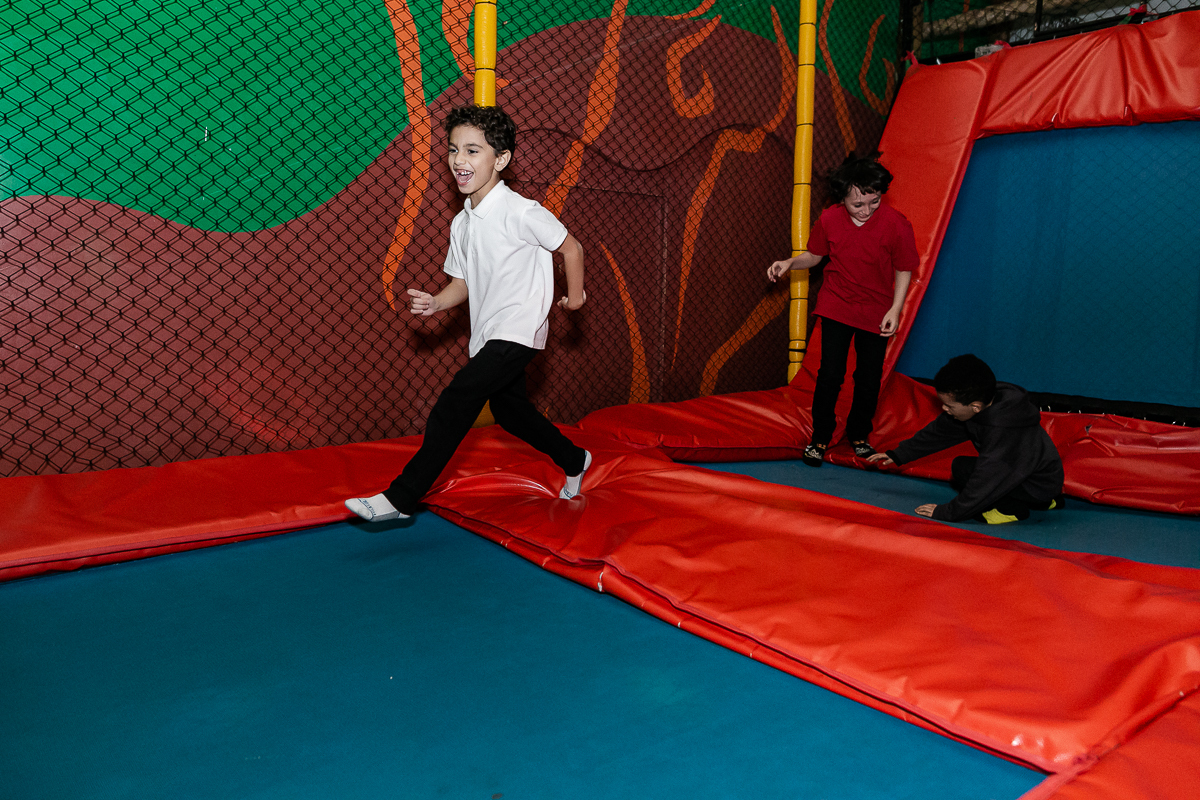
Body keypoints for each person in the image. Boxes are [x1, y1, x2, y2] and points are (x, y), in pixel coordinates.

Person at [345, 104, 591, 522]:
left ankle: (402, 499)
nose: (459, 160)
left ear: (501, 159)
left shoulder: (522, 211)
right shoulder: (463, 222)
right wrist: (437, 302)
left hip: (518, 327)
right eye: (453, 149)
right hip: (488, 333)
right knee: (513, 414)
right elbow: (462, 283)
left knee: (455, 401)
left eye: (473, 151)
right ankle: (574, 459)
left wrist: (577, 295)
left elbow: (571, 247)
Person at [767, 154, 917, 467]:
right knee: (830, 373)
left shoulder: (896, 224)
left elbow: (904, 268)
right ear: (842, 198)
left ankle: (859, 436)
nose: (866, 210)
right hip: (837, 303)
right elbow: (814, 256)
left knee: (868, 377)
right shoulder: (829, 220)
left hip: (875, 308)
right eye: (857, 204)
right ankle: (820, 437)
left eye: (873, 202)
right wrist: (790, 263)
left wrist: (895, 308)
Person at [866, 354, 1065, 524]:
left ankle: (1012, 509)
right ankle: (1044, 501)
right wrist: (898, 455)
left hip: (1037, 483)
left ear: (975, 406)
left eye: (949, 406)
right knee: (963, 465)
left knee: (965, 471)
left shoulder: (1004, 431)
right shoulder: (983, 405)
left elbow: (987, 479)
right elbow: (938, 433)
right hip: (1036, 475)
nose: (944, 409)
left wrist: (947, 512)